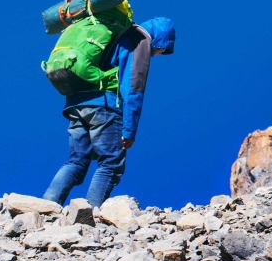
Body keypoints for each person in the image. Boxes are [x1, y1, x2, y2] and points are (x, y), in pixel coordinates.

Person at [43, 15, 176, 207]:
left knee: (76, 161)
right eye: (163, 49)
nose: (159, 53)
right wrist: (129, 130)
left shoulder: (116, 33)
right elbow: (133, 87)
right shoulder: (140, 39)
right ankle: (89, 215)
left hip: (76, 103)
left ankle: (45, 208)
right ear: (162, 37)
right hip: (103, 105)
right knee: (111, 162)